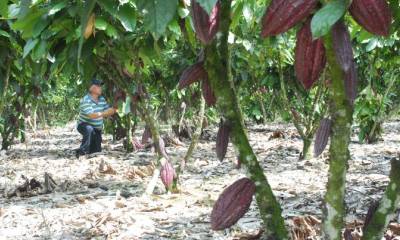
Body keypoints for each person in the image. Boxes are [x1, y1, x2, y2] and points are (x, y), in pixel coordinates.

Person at [75, 79, 117, 158]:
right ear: (92, 88)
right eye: (99, 86)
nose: (101, 88)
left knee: (96, 150)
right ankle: (81, 153)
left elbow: (108, 110)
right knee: (89, 129)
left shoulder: (102, 99)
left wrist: (114, 110)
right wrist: (107, 112)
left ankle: (85, 149)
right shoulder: (85, 100)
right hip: (83, 125)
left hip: (97, 129)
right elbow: (92, 115)